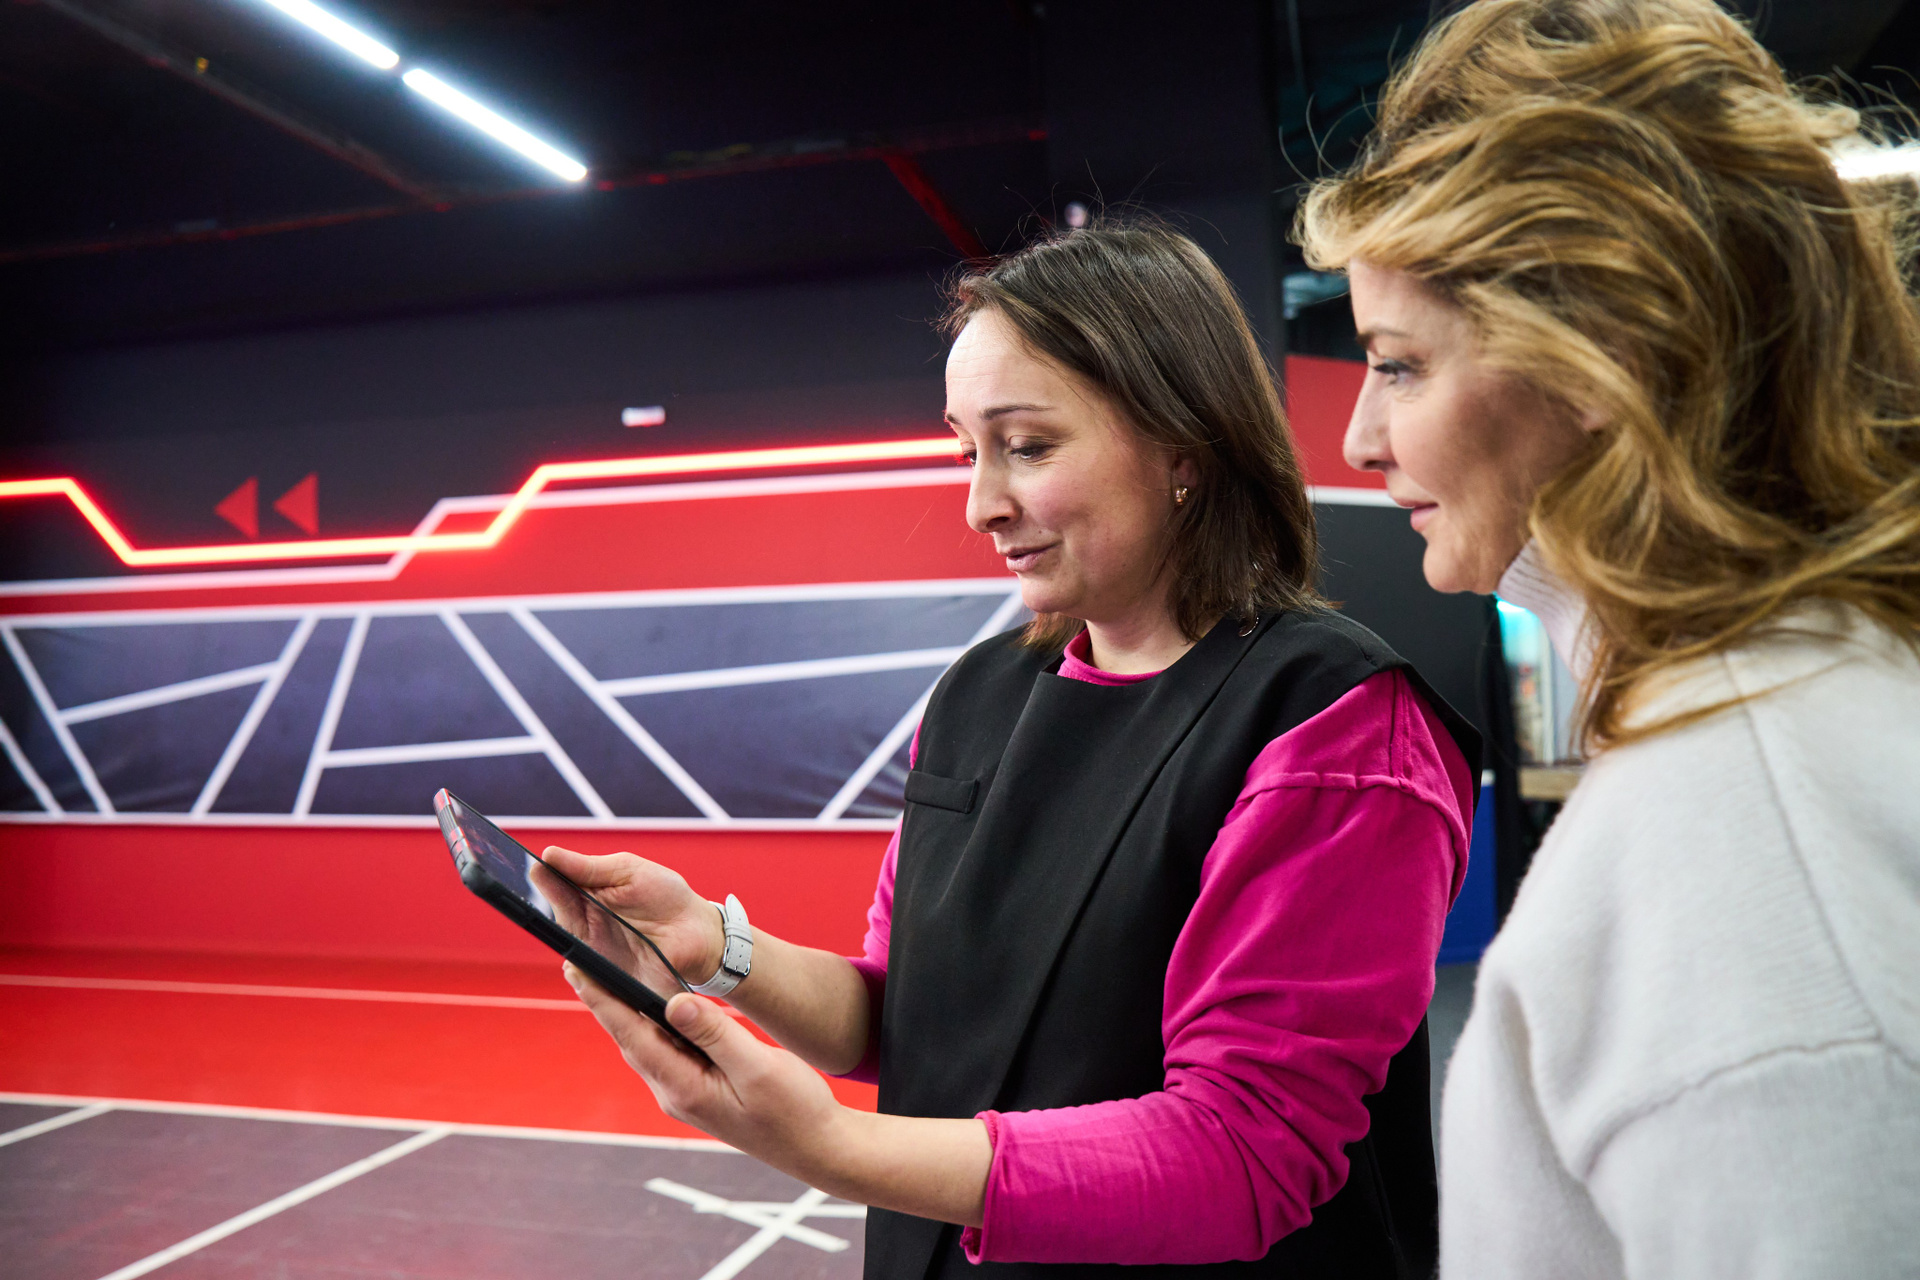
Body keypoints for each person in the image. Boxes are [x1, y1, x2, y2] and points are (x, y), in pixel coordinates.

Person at [543, 221, 1479, 1277]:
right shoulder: (979, 695)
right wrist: (717, 947)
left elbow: (1244, 1149)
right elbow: (911, 1013)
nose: (981, 504)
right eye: (968, 450)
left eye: (1027, 446)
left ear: (1183, 449)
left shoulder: (1335, 726)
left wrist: (830, 1147)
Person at [1298, 1, 1920, 1275]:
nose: (1360, 439)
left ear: (1602, 349)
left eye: (1400, 364)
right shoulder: (1768, 722)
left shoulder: (1748, 824)